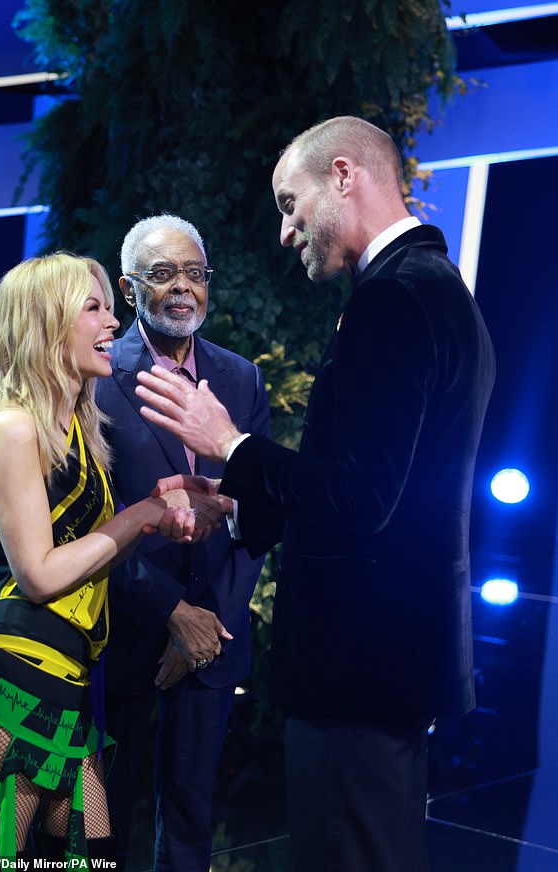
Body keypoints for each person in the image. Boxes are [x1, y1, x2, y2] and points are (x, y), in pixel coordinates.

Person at [134, 117, 497, 872]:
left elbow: (363, 497)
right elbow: (384, 486)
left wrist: (228, 443)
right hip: (390, 667)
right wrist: (236, 500)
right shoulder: (432, 288)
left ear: (342, 175)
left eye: (290, 204)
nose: (285, 231)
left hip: (358, 672)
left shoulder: (393, 301)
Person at [0, 252, 227, 864]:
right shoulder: (11, 425)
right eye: (93, 309)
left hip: (68, 676)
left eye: (109, 311)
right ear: (43, 323)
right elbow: (38, 575)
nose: (111, 325)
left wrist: (160, 508)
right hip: (6, 674)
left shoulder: (79, 430)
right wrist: (140, 518)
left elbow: (89, 553)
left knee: (91, 854)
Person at [94, 214, 271, 871]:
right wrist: (172, 612)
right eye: (163, 273)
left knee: (192, 821)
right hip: (124, 626)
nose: (183, 289)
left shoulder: (242, 378)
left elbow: (260, 510)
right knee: (100, 818)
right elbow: (89, 518)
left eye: (195, 274)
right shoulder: (93, 373)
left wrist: (209, 627)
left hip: (211, 642)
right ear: (129, 287)